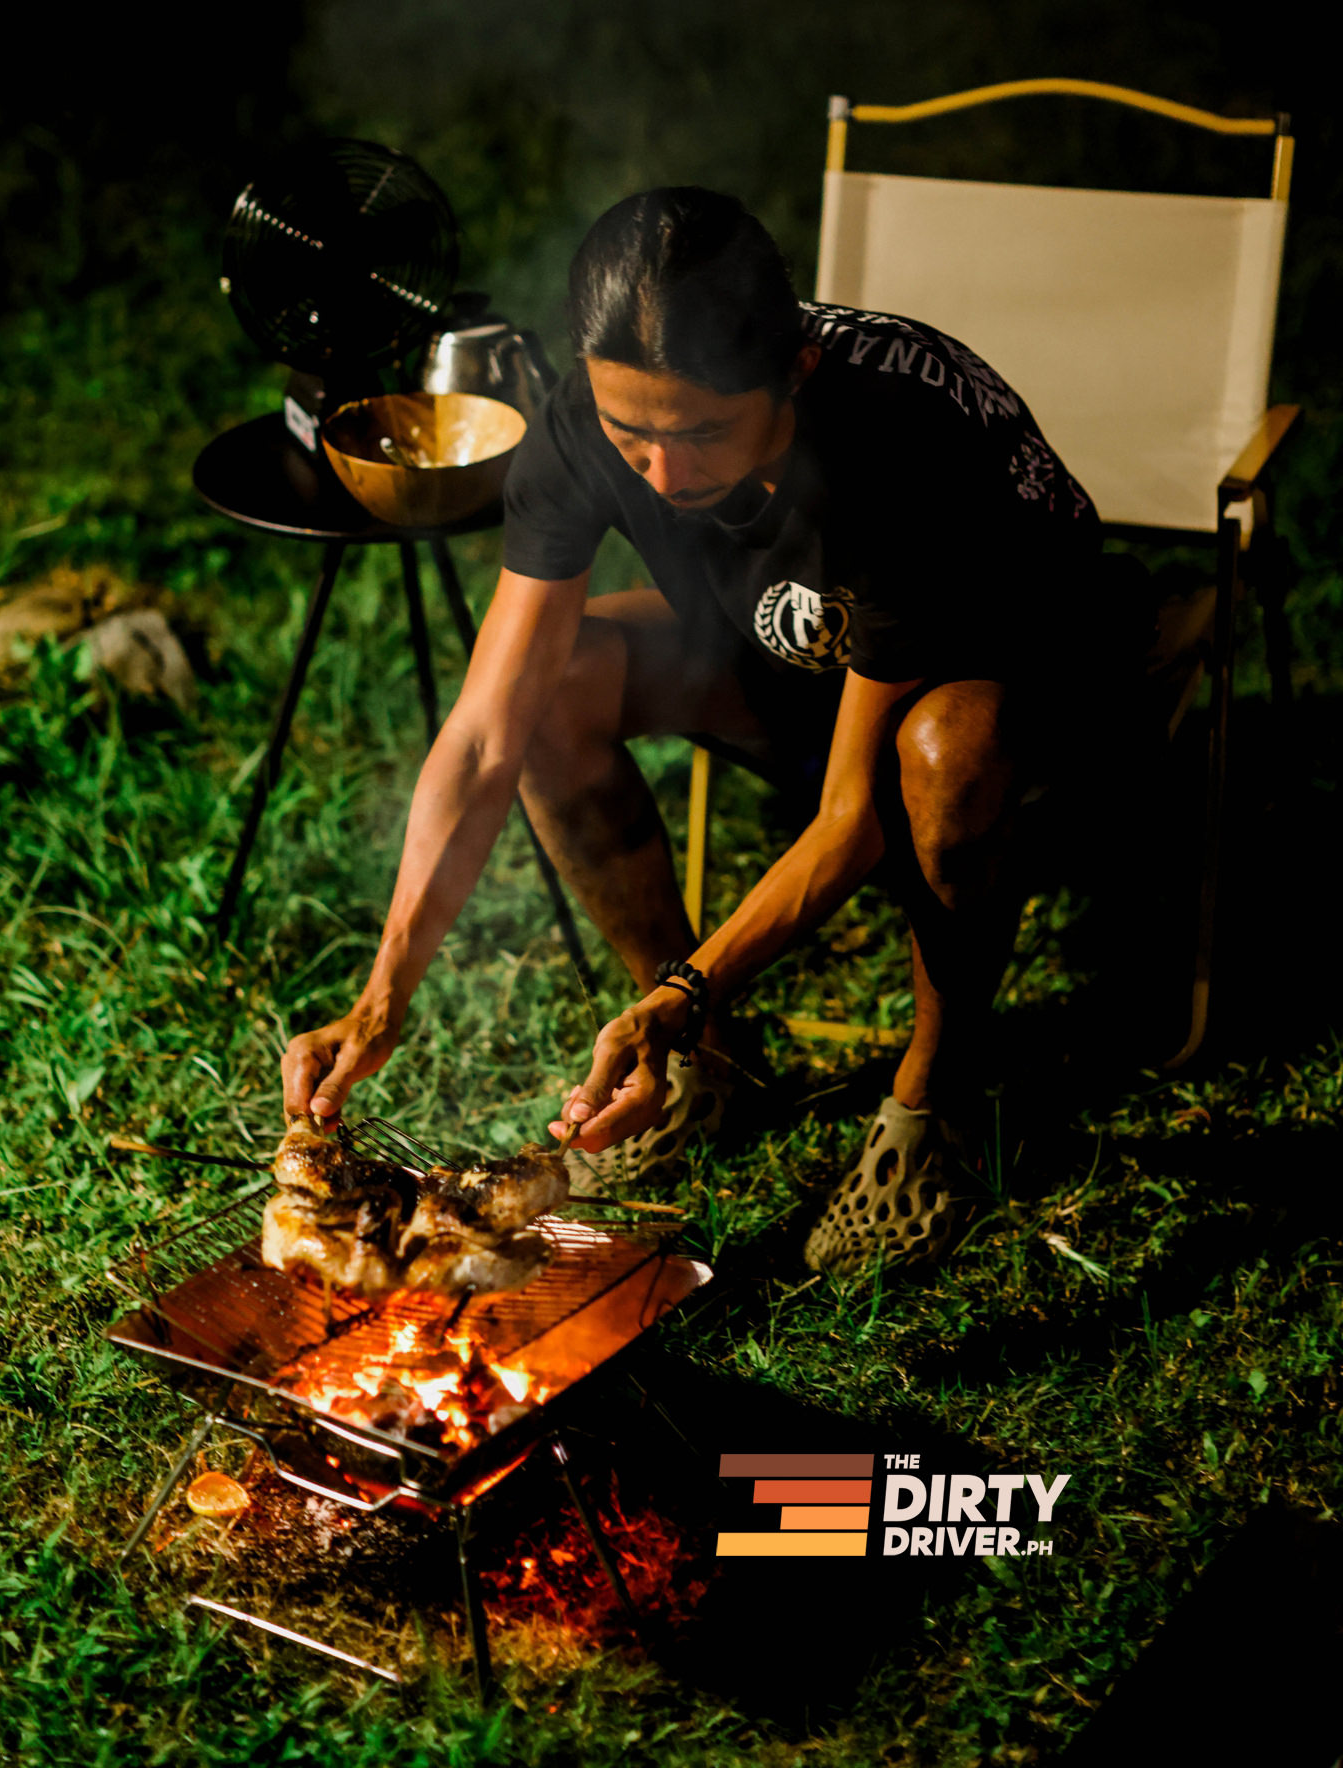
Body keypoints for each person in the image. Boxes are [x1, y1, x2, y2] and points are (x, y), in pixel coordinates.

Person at [277, 186, 1146, 1274]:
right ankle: (709, 1067)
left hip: (1023, 673)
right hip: (803, 649)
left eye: (698, 435)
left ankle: (937, 1098)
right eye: (629, 429)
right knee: (553, 693)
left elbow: (847, 817)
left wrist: (685, 993)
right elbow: (485, 730)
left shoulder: (893, 446)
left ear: (796, 374)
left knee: (940, 757)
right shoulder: (586, 426)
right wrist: (382, 992)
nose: (661, 474)